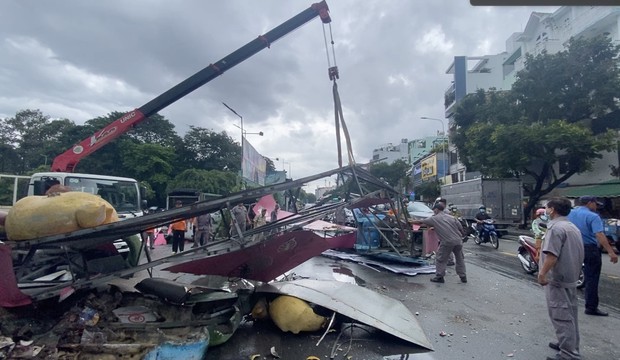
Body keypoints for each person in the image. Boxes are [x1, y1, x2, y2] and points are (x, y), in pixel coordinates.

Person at [537, 197, 584, 360]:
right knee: (570, 314)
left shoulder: (556, 229)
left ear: (552, 210)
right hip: (570, 277)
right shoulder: (571, 227)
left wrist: (542, 273)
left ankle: (568, 353)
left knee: (561, 315)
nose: (545, 211)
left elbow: (552, 256)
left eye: (547, 208)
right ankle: (568, 344)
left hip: (557, 279)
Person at [567, 196, 618, 317]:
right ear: (590, 203)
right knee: (592, 278)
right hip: (590, 249)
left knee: (570, 276)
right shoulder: (593, 216)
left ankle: (567, 304)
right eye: (596, 204)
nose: (596, 207)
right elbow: (599, 234)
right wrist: (611, 252)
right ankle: (591, 307)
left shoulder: (569, 213)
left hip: (573, 247)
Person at [410, 202, 466, 284]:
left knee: (440, 258)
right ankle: (463, 276)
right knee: (460, 258)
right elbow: (460, 228)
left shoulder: (434, 218)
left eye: (434, 210)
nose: (433, 212)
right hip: (458, 240)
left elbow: (420, 222)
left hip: (447, 241)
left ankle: (439, 276)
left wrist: (411, 221)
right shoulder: (452, 217)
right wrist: (462, 235)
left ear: (436, 209)